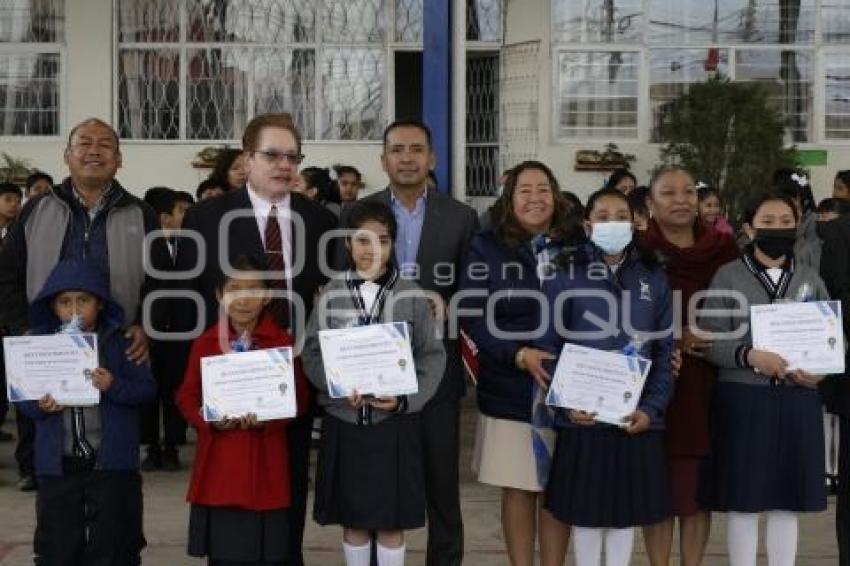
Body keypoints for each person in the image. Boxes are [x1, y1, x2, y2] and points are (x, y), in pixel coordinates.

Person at [176, 113, 337, 566]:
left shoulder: (320, 220)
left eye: (292, 156)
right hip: (227, 379)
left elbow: (329, 296)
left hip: (295, 376)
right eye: (272, 155)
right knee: (230, 493)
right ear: (247, 158)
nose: (283, 165)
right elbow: (190, 298)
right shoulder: (207, 217)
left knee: (288, 484)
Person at [336, 120, 478, 565]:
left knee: (440, 481)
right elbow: (338, 280)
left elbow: (476, 285)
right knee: (378, 475)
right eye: (397, 150)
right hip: (371, 368)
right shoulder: (356, 213)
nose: (408, 157)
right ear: (383, 161)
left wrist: (449, 301)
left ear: (432, 159)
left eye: (417, 149)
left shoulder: (461, 216)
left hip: (435, 366)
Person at [0, 117, 162, 492]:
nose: (94, 151)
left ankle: (111, 494)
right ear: (66, 156)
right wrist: (25, 326)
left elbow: (161, 280)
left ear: (119, 159)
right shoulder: (36, 210)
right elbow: (7, 274)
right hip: (48, 344)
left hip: (114, 343)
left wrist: (144, 323)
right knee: (49, 430)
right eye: (84, 143)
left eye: (105, 145)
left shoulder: (140, 213)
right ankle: (44, 482)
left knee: (113, 433)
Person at [303, 200, 446, 566]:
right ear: (348, 244)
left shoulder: (411, 294)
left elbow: (431, 355)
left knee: (391, 523)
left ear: (393, 244)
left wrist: (404, 400)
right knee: (354, 523)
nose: (372, 249)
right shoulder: (330, 294)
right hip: (345, 422)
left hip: (393, 425)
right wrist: (334, 385)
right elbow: (313, 352)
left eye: (382, 239)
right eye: (363, 240)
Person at [541, 187, 675, 566]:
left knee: (623, 520)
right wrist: (566, 405)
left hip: (636, 421)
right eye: (603, 216)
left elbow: (665, 354)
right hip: (583, 422)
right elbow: (547, 348)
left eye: (621, 215)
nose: (612, 223)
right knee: (585, 518)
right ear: (587, 225)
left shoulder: (654, 275)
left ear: (634, 223)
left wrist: (650, 409)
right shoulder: (564, 273)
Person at [458, 160, 579, 566]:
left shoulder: (578, 244)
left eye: (542, 189)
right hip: (511, 385)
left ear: (555, 195)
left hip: (569, 385)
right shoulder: (486, 246)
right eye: (524, 190)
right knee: (520, 488)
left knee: (558, 490)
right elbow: (472, 315)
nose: (534, 198)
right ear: (509, 200)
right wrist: (518, 354)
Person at [699, 191, 828, 565]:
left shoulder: (808, 278)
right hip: (744, 400)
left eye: (785, 222)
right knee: (745, 499)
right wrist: (749, 355)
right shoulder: (729, 275)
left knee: (786, 501)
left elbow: (833, 336)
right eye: (767, 222)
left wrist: (820, 368)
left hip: (797, 399)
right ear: (748, 228)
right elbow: (709, 342)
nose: (777, 229)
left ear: (797, 228)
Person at [18, 259, 156, 564]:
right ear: (53, 306)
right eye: (65, 302)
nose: (75, 310)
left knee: (116, 544)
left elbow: (147, 391)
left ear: (101, 303)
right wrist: (40, 406)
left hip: (112, 464)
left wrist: (114, 385)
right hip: (58, 465)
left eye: (84, 300)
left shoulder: (123, 343)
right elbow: (24, 402)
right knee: (58, 546)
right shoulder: (38, 345)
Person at [176, 255, 309, 566]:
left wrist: (267, 419)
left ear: (265, 297)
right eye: (235, 289)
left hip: (266, 463)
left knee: (269, 554)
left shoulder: (282, 344)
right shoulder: (205, 343)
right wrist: (208, 420)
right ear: (220, 296)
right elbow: (186, 395)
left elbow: (298, 401)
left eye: (253, 290)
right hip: (220, 465)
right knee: (225, 554)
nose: (243, 299)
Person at [640, 165, 739, 566]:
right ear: (650, 203)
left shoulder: (724, 251)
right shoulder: (637, 253)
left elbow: (743, 315)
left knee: (697, 487)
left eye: (687, 192)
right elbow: (617, 317)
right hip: (654, 382)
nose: (680, 200)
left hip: (710, 382)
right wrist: (673, 337)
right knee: (659, 486)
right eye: (668, 192)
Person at [140, 187, 194, 471]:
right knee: (148, 389)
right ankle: (150, 445)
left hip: (183, 331)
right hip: (150, 331)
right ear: (165, 217)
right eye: (181, 211)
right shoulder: (142, 244)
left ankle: (172, 444)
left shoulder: (192, 244)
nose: (187, 216)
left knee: (176, 389)